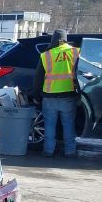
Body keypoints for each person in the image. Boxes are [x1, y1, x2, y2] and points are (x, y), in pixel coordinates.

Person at [33, 29, 80, 158]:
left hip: (49, 96)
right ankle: (70, 151)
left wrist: (36, 96)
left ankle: (48, 151)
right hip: (68, 96)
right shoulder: (76, 52)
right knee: (69, 125)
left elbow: (38, 78)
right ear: (65, 39)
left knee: (49, 125)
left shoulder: (46, 55)